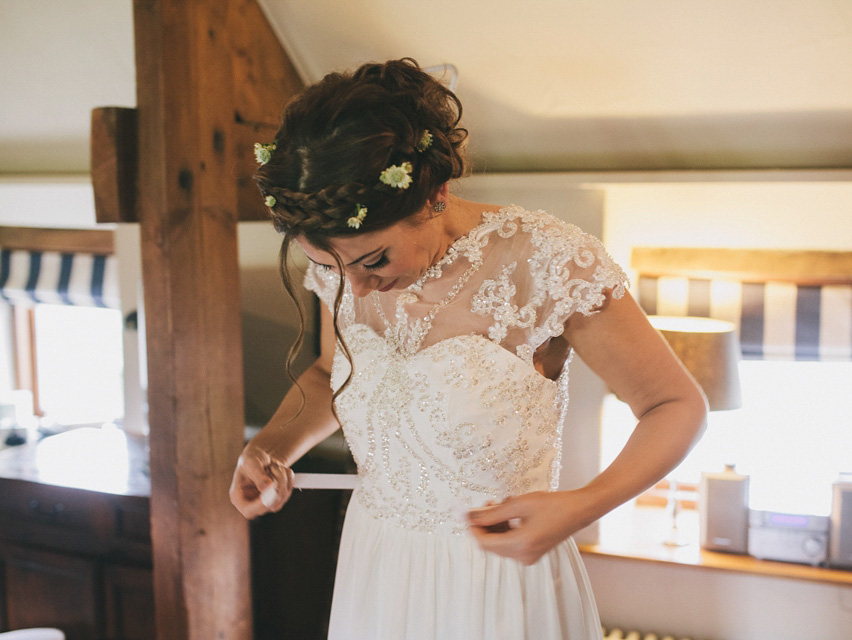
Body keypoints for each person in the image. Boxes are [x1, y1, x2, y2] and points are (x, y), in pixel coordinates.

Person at [229, 58, 707, 640]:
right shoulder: (345, 271)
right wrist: (272, 445)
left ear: (433, 195)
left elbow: (675, 405)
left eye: (374, 260)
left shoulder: (548, 261)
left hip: (497, 584)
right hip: (379, 568)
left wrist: (581, 506)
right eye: (327, 265)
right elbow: (334, 371)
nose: (352, 286)